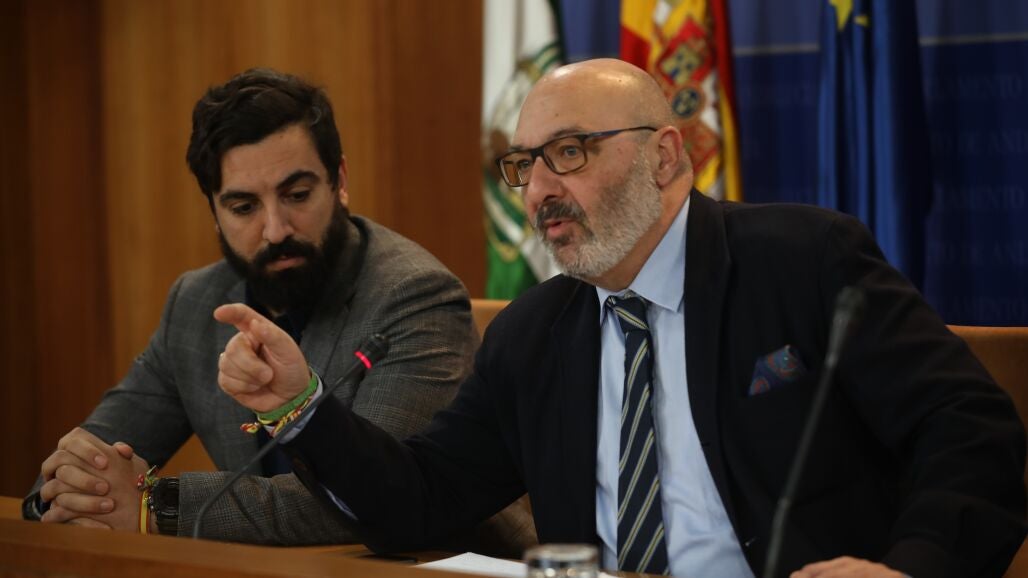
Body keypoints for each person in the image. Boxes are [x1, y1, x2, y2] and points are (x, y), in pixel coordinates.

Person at [214, 59, 1026, 577]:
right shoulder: (532, 336)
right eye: (524, 165)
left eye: (569, 153)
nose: (540, 190)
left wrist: (910, 569)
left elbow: (969, 430)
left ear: (664, 157)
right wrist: (301, 404)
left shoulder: (805, 261)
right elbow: (420, 500)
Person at [23, 68, 536, 553]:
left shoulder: (415, 296)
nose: (275, 229)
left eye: (297, 194)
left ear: (339, 181)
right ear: (214, 212)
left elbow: (369, 502)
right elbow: (87, 461)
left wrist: (155, 505)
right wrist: (66, 493)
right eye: (244, 207)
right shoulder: (196, 303)